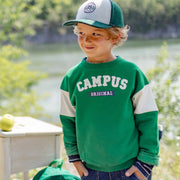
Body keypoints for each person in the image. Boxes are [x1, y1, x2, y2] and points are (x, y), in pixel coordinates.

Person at [60, 0, 159, 179]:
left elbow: (148, 118)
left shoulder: (131, 73)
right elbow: (68, 120)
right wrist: (74, 158)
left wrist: (146, 161)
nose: (85, 39)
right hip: (90, 170)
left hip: (131, 168)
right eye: (81, 33)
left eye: (95, 33)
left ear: (115, 36)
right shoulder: (71, 77)